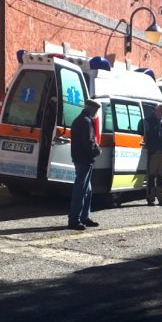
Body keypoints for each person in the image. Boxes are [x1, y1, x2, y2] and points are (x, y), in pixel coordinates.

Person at [68, 97, 102, 230]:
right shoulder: (86, 122)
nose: (96, 114)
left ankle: (84, 217)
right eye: (96, 111)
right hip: (84, 159)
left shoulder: (79, 120)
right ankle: (74, 220)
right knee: (81, 190)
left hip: (79, 158)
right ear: (92, 109)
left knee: (87, 190)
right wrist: (97, 150)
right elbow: (89, 143)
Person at [144, 104, 162, 206]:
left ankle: (161, 198)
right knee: (151, 176)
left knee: (161, 177)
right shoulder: (148, 121)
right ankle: (151, 198)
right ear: (157, 111)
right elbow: (146, 137)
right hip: (154, 153)